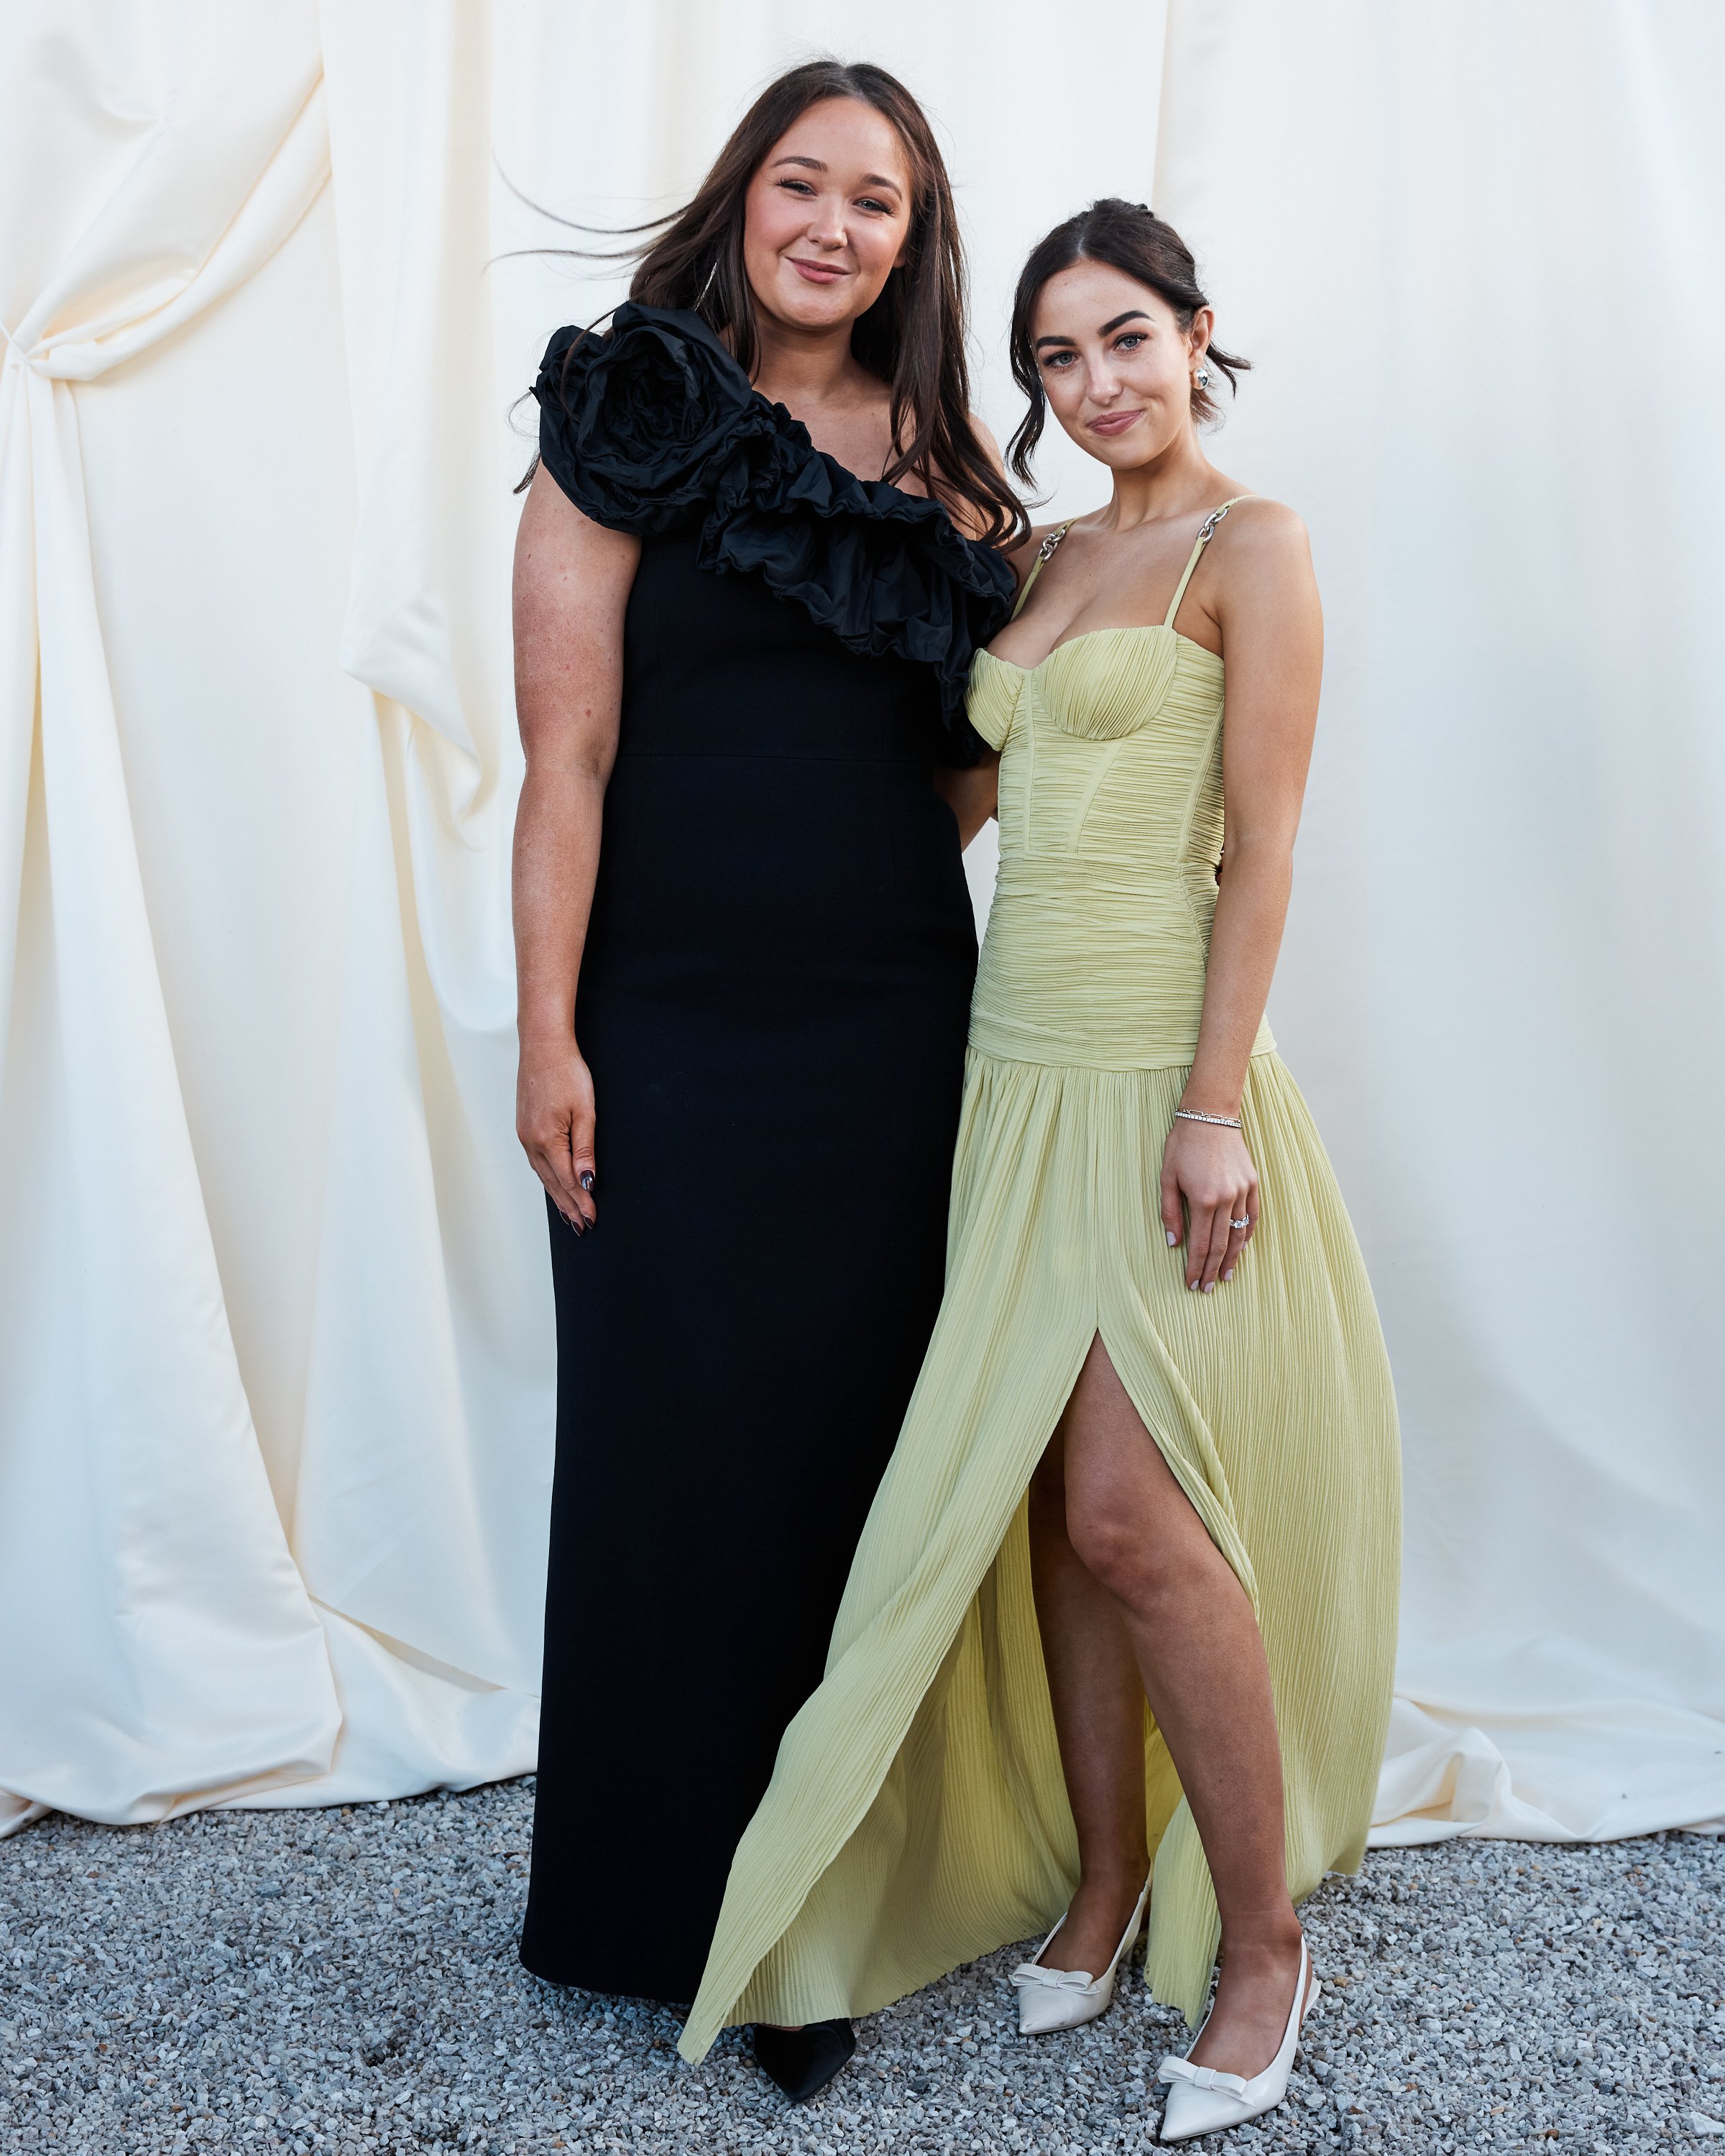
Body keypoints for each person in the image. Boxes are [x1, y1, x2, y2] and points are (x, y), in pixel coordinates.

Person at [677, 198, 1401, 2145]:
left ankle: (1261, 1948)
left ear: (1199, 332)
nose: (1096, 387)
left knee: (1135, 1514)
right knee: (1053, 1516)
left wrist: (1215, 1103)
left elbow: (1262, 849)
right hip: (1006, 1076)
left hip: (1161, 1074)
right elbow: (948, 797)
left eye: (1127, 342)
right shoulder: (1044, 557)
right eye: (1059, 360)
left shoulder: (1255, 546)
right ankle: (1096, 1880)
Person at [508, 60, 1021, 2104]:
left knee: (844, 1452)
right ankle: (638, 1903)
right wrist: (548, 1027)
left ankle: (805, 1915)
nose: (832, 225)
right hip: (666, 1010)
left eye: (875, 201)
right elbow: (567, 756)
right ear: (741, 200)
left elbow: (979, 765)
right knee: (665, 1437)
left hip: (890, 1017)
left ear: (915, 239)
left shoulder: (957, 476)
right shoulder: (634, 409)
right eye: (801, 184)